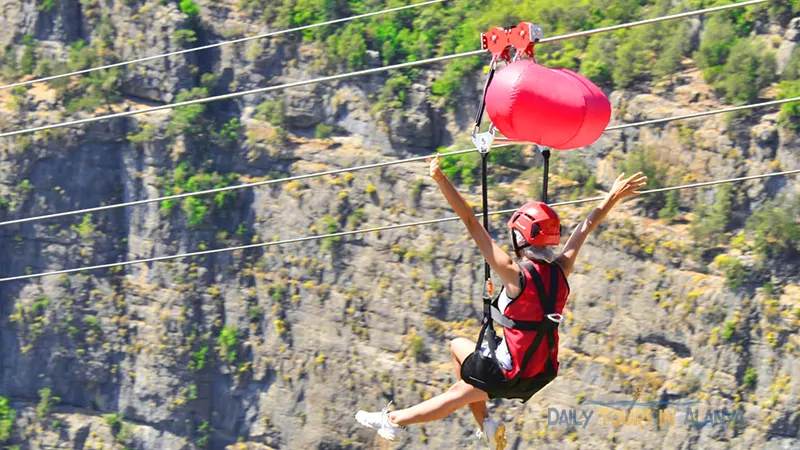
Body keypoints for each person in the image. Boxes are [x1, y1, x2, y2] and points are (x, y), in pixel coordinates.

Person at [355, 154, 647, 448]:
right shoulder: (562, 269)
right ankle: (486, 425)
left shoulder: (514, 274)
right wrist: (612, 197)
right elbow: (585, 229)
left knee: (459, 373)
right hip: (540, 372)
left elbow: (470, 221)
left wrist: (440, 178)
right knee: (462, 371)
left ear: (519, 238)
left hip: (508, 371)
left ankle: (393, 421)